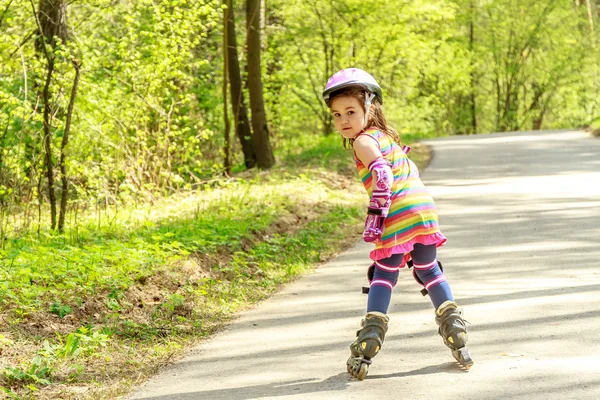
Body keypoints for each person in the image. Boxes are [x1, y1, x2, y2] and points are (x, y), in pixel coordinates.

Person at [322, 68, 473, 380]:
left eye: (351, 111)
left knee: (384, 275)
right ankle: (454, 326)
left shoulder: (363, 142)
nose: (343, 121)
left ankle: (370, 339)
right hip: (424, 210)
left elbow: (382, 173)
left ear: (370, 108)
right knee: (429, 270)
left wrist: (377, 212)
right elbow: (411, 170)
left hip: (395, 215)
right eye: (337, 115)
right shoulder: (387, 138)